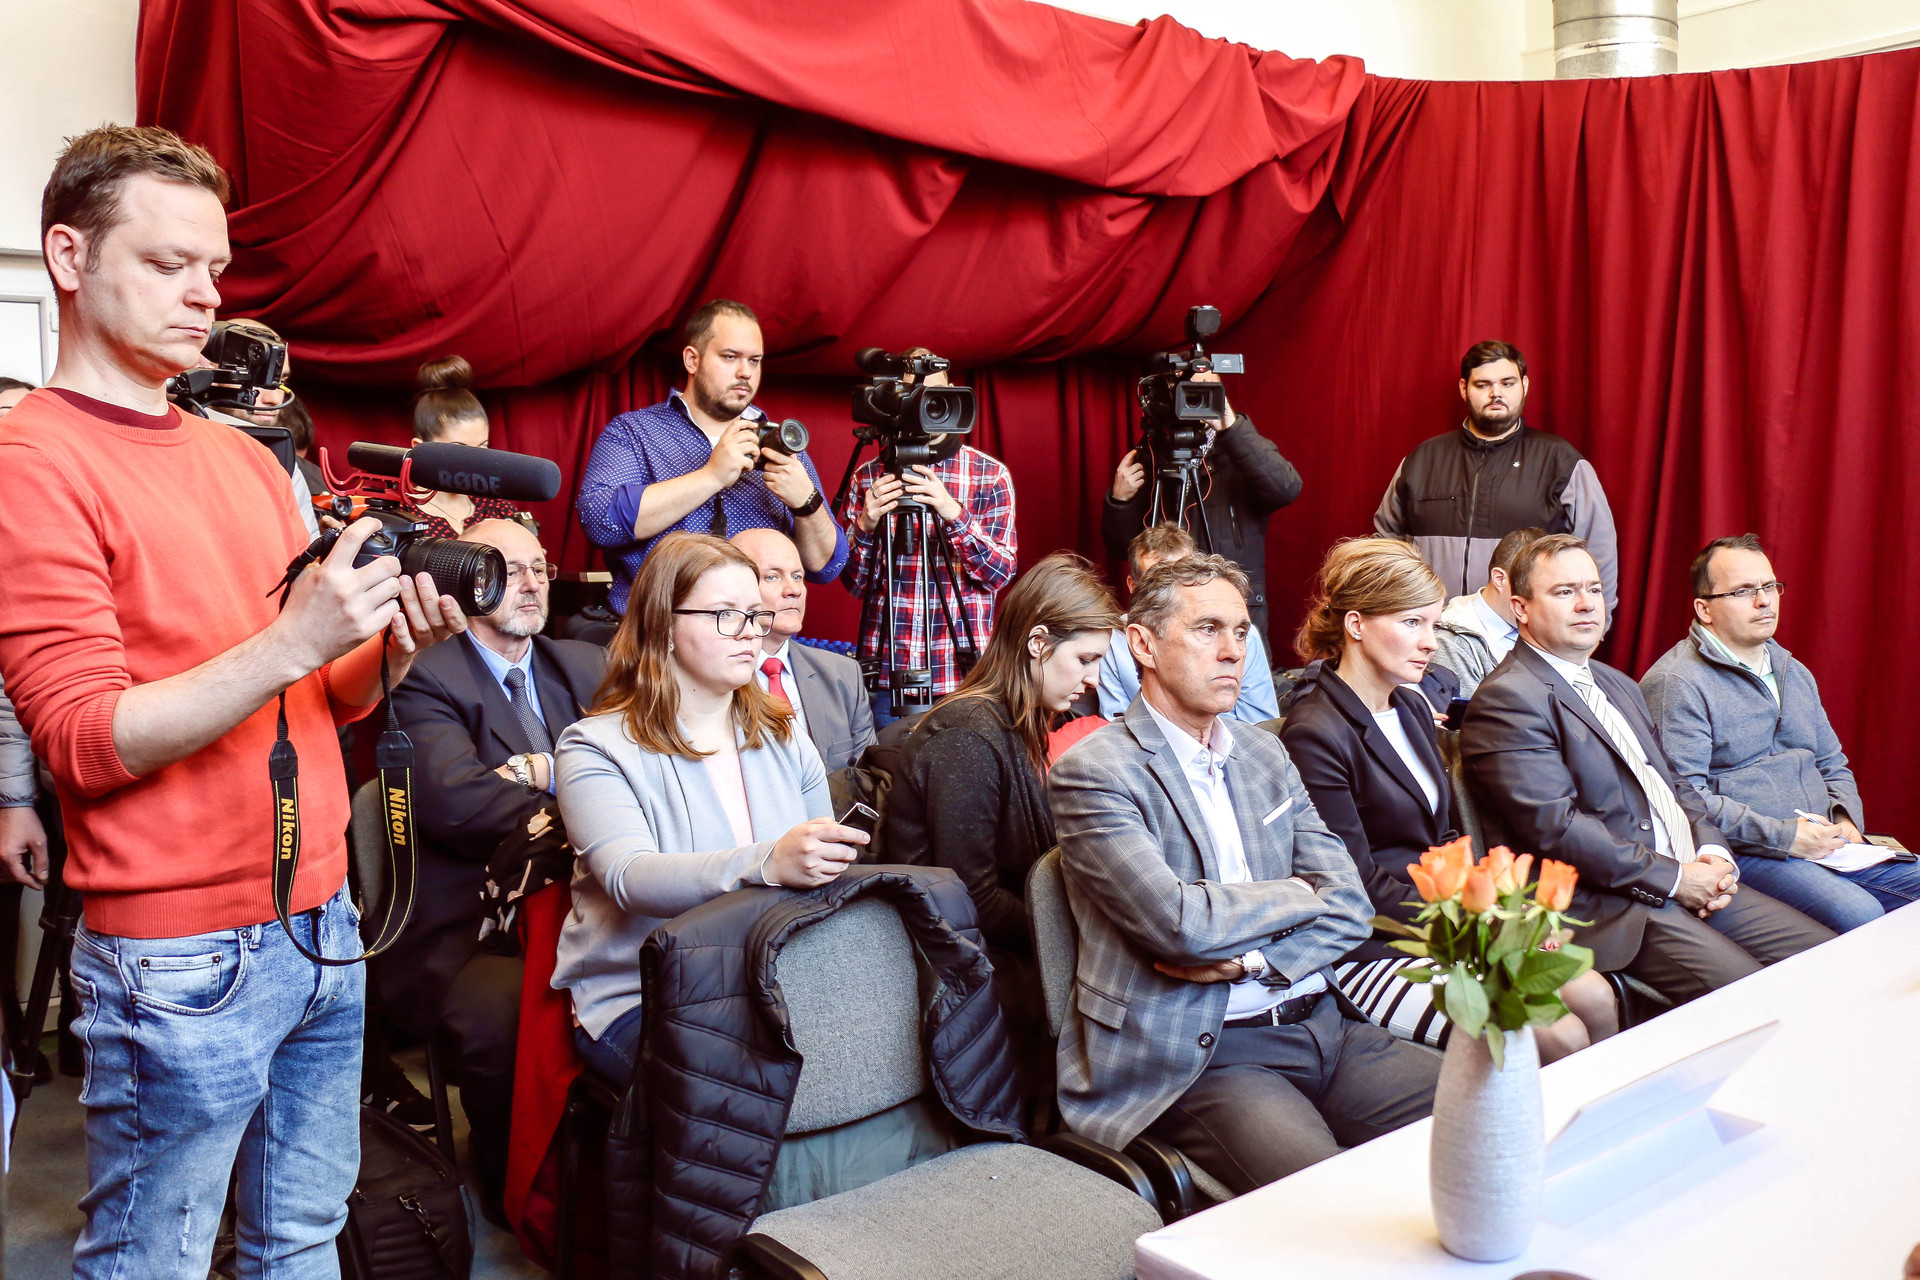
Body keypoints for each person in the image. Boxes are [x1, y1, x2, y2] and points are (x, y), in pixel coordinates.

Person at [0, 124, 465, 1277]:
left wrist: (394, 648)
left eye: (213, 267)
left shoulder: (250, 460)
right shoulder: (31, 459)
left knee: (301, 1235)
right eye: (169, 263)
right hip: (177, 956)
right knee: (149, 1259)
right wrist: (292, 637)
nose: (206, 294)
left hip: (322, 918)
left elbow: (320, 698)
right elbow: (84, 737)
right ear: (69, 256)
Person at [1048, 553, 1439, 1193]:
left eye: (1240, 630)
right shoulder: (1095, 772)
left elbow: (1350, 903)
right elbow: (1181, 926)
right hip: (1204, 1052)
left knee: (1497, 1112)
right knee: (1332, 1198)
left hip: (1322, 1022)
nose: (1233, 651)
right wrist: (1298, 892)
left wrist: (1254, 962)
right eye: (1207, 630)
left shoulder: (1264, 752)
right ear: (1143, 645)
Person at [1281, 538, 1616, 1062]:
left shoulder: (1410, 706)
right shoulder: (1315, 733)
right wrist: (1478, 923)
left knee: (1594, 995)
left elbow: (1446, 840)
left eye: (1433, 624)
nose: (1430, 643)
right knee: (1558, 1035)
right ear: (1356, 625)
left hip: (1448, 918)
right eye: (1412, 623)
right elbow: (1354, 883)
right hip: (1373, 945)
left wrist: (1504, 912)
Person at [1460, 534, 1832, 1006]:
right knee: (1759, 1001)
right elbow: (1557, 829)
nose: (1586, 604)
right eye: (1564, 592)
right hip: (1613, 903)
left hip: (1689, 874)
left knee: (1830, 961)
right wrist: (1677, 879)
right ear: (1521, 608)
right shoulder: (1508, 698)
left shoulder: (1616, 682)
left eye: (1594, 589)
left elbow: (1675, 785)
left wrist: (1713, 853)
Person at [552, 533, 867, 1082]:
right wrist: (767, 861)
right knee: (768, 1083)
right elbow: (631, 878)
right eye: (725, 615)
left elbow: (818, 879)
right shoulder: (593, 746)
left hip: (767, 973)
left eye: (754, 615)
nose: (749, 633)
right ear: (662, 627)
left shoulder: (783, 733)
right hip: (645, 992)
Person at [379, 519, 605, 1217]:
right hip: (469, 922)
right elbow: (458, 802)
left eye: (540, 567)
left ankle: (613, 1164)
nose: (531, 583)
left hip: (584, 896)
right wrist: (596, 803)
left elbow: (649, 761)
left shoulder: (584, 664)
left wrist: (541, 771)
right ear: (462, 580)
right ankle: (518, 1183)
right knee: (504, 1016)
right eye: (509, 569)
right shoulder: (423, 672)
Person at [887, 553, 1119, 1062]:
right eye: (1085, 659)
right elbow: (974, 898)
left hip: (1004, 952)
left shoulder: (1020, 721)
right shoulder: (967, 735)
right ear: (1038, 643)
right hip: (960, 972)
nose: (1095, 679)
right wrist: (1078, 933)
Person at [1641, 535, 1920, 932]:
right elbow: (1685, 798)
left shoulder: (1793, 670)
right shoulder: (1676, 682)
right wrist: (1786, 837)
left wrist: (1844, 818)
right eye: (1742, 591)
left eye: (1769, 586)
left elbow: (1831, 762)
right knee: (1859, 914)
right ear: (1704, 609)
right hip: (1748, 850)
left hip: (1828, 844)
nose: (1764, 601)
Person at [575, 300, 847, 615]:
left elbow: (827, 567)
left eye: (754, 361)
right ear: (692, 359)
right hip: (658, 631)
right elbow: (600, 521)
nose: (745, 372)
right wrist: (711, 476)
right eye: (730, 357)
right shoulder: (634, 432)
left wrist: (806, 503)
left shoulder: (781, 445)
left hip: (755, 634)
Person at [1376, 341, 1619, 612]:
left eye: (1507, 383)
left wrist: (1596, 621)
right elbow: (1384, 543)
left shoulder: (1561, 461)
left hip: (1523, 629)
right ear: (1463, 389)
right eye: (1483, 385)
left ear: (1524, 385)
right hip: (1431, 625)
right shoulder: (1422, 459)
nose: (1496, 393)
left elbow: (1599, 551)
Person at [839, 350, 1017, 721]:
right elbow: (855, 584)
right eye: (911, 394)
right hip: (885, 674)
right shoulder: (867, 476)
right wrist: (866, 525)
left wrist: (953, 514)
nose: (921, 404)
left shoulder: (989, 475)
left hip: (963, 676)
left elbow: (999, 575)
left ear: (951, 394)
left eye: (933, 394)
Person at [1102, 373, 1302, 644]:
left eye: (1198, 394)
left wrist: (1230, 424)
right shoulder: (1154, 458)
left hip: (1233, 612)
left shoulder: (1240, 454)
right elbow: (1124, 548)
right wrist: (1120, 501)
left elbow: (1286, 487)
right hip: (1167, 614)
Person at [1098, 523, 1277, 723]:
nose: (1233, 652)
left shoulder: (1242, 635)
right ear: (1133, 585)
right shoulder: (1112, 639)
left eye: (1186, 577)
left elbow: (1261, 724)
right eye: (1156, 581)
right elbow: (1116, 722)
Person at [731, 527, 875, 772]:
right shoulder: (711, 678)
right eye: (772, 577)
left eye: (797, 576)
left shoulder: (843, 675)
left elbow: (867, 778)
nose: (794, 590)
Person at [399, 355, 524, 538]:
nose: (475, 462)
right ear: (420, 449)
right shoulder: (399, 515)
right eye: (459, 450)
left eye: (482, 448)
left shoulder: (498, 510)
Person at [1432, 525, 1543, 698]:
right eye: (1537, 587)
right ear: (1500, 579)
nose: (1547, 602)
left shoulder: (1549, 626)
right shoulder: (1453, 642)